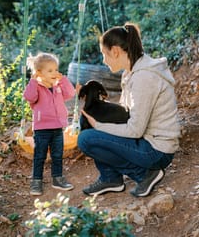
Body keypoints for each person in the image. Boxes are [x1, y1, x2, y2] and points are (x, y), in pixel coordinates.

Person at [77, 23, 180, 197]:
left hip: (157, 150)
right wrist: (97, 107)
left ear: (115, 51)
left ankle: (145, 174)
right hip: (146, 140)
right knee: (90, 119)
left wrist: (99, 125)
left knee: (86, 138)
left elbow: (135, 129)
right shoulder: (132, 71)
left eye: (104, 54)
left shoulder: (144, 77)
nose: (103, 60)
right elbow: (127, 112)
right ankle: (111, 178)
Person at [23, 52, 75, 196]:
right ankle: (36, 181)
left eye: (56, 69)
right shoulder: (36, 87)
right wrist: (33, 81)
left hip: (58, 128)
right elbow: (29, 97)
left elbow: (71, 93)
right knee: (40, 156)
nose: (55, 73)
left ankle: (57, 179)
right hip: (42, 129)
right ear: (39, 72)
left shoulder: (58, 86)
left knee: (57, 155)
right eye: (50, 70)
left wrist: (63, 79)